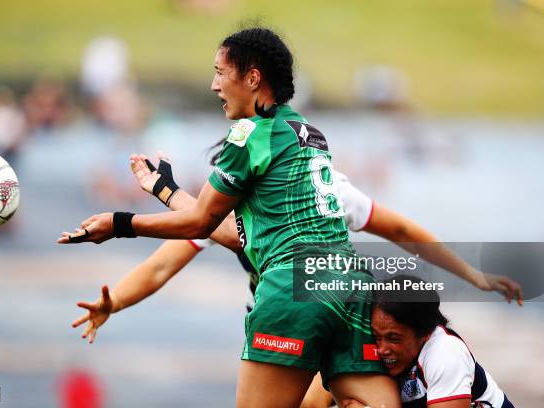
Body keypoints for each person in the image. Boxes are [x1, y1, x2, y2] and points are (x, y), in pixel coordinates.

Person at [60, 27, 400, 408]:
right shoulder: (310, 145)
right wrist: (163, 193)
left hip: (291, 301)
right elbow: (197, 234)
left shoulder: (247, 134)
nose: (213, 85)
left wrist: (120, 224)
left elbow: (202, 221)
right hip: (350, 287)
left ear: (253, 78)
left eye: (221, 73)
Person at [342, 275, 515, 408]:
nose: (382, 349)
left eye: (393, 339)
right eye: (376, 337)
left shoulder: (446, 353)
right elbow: (315, 401)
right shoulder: (374, 345)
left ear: (425, 332)